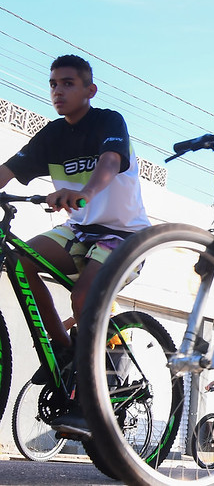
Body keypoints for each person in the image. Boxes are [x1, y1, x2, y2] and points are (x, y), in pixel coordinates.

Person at [0, 54, 150, 435]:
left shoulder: (108, 122)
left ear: (90, 90)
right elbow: (7, 170)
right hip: (79, 233)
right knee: (21, 260)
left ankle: (89, 391)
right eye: (53, 84)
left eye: (68, 83)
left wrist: (83, 193)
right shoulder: (51, 135)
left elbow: (110, 164)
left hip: (125, 236)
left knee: (82, 298)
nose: (58, 91)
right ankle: (66, 350)